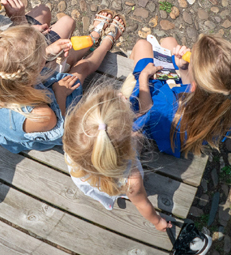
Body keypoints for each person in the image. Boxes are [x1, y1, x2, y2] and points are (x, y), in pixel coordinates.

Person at [0, 14, 125, 153]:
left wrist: (48, 53)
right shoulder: (42, 115)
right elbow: (62, 127)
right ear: (33, 73)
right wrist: (59, 92)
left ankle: (93, 37)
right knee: (80, 71)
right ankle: (106, 42)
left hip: (17, 102)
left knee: (69, 56)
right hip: (49, 117)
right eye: (42, 56)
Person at [63, 85, 171, 231]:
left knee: (104, 187)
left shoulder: (74, 142)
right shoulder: (132, 179)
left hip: (89, 179)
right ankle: (117, 194)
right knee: (139, 136)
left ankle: (108, 199)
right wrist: (158, 222)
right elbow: (142, 204)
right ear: (127, 147)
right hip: (119, 182)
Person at [129, 34, 231, 158]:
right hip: (193, 127)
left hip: (162, 129)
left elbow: (144, 112)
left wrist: (144, 76)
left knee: (142, 45)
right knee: (168, 41)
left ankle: (130, 60)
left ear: (193, 86)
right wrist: (184, 69)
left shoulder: (166, 107)